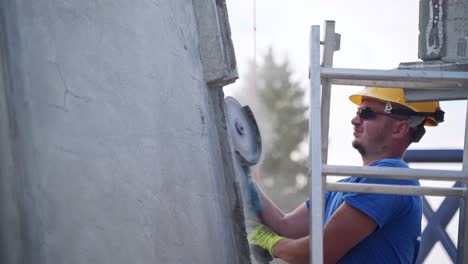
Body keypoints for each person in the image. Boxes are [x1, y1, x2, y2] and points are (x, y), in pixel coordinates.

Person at [247, 87, 445, 264]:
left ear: (399, 128)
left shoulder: (392, 177)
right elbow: (284, 227)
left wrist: (271, 243)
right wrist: (246, 180)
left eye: (367, 113)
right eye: (358, 112)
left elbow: (317, 254)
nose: (355, 120)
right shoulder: (347, 186)